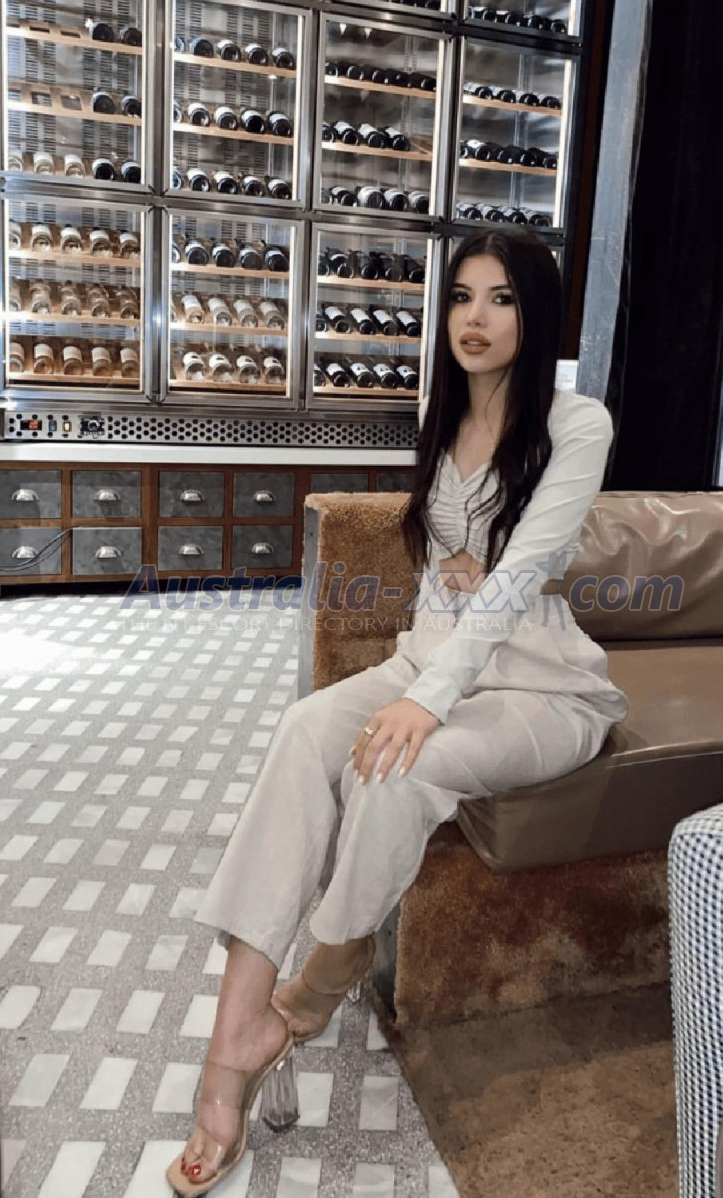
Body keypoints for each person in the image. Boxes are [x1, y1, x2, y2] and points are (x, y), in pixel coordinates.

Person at [167, 226, 630, 1194]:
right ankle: (234, 1037)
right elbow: (448, 566)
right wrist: (441, 623)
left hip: (542, 687)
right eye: (461, 297)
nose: (474, 318)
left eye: (501, 298)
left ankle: (317, 988)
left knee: (396, 769)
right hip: (431, 657)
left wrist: (430, 694)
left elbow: (524, 573)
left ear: (537, 313)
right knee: (305, 730)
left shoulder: (578, 423)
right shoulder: (438, 408)